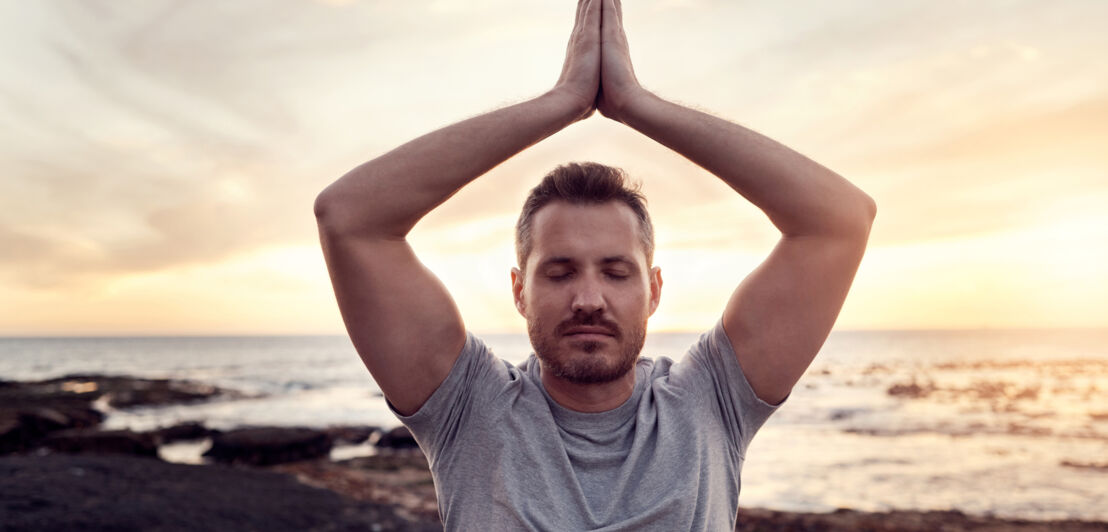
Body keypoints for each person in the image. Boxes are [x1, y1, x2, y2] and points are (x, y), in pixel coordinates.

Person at [314, 0, 875, 529]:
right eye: (558, 273)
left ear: (654, 289)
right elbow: (349, 218)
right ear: (519, 290)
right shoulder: (471, 408)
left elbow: (840, 221)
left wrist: (635, 103)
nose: (588, 298)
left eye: (616, 271)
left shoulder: (709, 401)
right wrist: (563, 101)